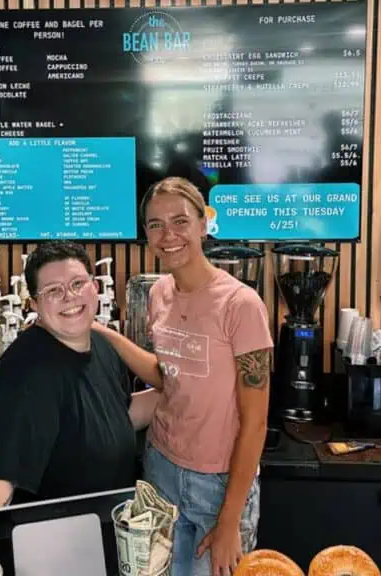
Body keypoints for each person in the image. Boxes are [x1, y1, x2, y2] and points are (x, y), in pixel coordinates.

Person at [94, 176, 273, 576]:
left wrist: (229, 521)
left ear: (203, 225)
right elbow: (169, 376)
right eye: (155, 225)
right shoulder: (159, 293)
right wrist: (101, 332)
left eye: (180, 221)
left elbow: (256, 423)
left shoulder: (241, 305)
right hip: (160, 471)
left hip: (219, 485)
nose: (167, 235)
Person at [0, 241, 160, 571]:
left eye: (77, 284)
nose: (69, 297)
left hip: (92, 545)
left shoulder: (100, 346)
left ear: (96, 286)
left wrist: (189, 393)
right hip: (46, 556)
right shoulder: (29, 372)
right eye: (53, 290)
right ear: (34, 303)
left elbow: (115, 416)